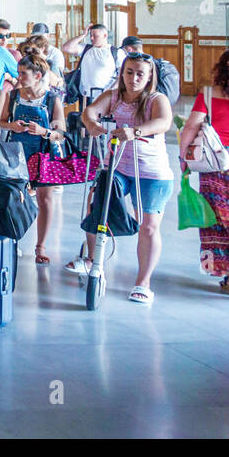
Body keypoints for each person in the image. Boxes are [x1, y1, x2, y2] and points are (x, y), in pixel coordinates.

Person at [76, 52, 174, 304]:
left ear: (149, 75)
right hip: (118, 165)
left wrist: (136, 131)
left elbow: (164, 122)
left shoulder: (156, 99)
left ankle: (143, 282)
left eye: (140, 73)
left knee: (149, 225)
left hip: (152, 171)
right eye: (129, 72)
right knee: (96, 204)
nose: (134, 78)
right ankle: (93, 260)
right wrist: (91, 122)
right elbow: (91, 110)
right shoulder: (114, 96)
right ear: (122, 73)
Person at [178, 48, 229, 296]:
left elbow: (191, 126)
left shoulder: (210, 94)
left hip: (216, 162)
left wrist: (183, 158)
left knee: (217, 218)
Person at [0, 54, 66, 266]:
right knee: (14, 196)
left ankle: (41, 245)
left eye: (23, 74)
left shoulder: (51, 98)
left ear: (38, 75)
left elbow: (61, 133)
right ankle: (13, 238)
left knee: (45, 199)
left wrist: (44, 131)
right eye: (18, 73)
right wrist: (13, 126)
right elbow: (1, 121)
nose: (19, 78)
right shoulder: (13, 96)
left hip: (43, 152)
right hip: (17, 151)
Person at [62, 23, 116, 103]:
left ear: (105, 36)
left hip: (104, 97)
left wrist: (110, 92)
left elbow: (121, 76)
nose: (91, 38)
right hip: (85, 96)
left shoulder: (115, 52)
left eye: (95, 36)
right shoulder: (86, 48)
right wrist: (83, 35)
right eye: (90, 35)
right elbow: (66, 47)